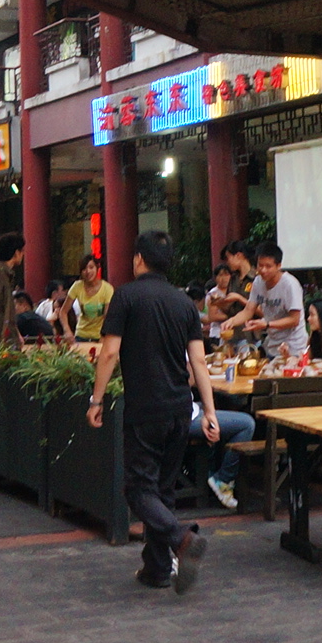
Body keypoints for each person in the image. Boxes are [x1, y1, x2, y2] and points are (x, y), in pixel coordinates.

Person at [87, 231, 216, 592]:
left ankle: (181, 538)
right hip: (179, 408)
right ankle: (157, 570)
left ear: (139, 259)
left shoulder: (126, 296)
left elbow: (110, 353)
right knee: (163, 490)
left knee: (138, 489)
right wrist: (209, 411)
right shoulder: (184, 304)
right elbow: (199, 362)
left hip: (145, 408)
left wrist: (96, 400)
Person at [221, 243, 305, 361]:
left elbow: (294, 319)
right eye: (260, 265)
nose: (263, 270)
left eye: (268, 266)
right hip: (272, 346)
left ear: (278, 266)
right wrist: (231, 322)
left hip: (293, 347)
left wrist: (266, 324)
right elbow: (248, 311)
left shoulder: (290, 285)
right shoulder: (258, 282)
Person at [67, 253, 114, 346]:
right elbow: (63, 312)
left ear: (97, 268)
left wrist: (104, 337)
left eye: (91, 267)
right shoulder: (77, 286)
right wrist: (67, 331)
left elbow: (108, 316)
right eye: (84, 269)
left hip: (99, 336)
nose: (88, 272)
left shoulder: (107, 289)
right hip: (81, 335)